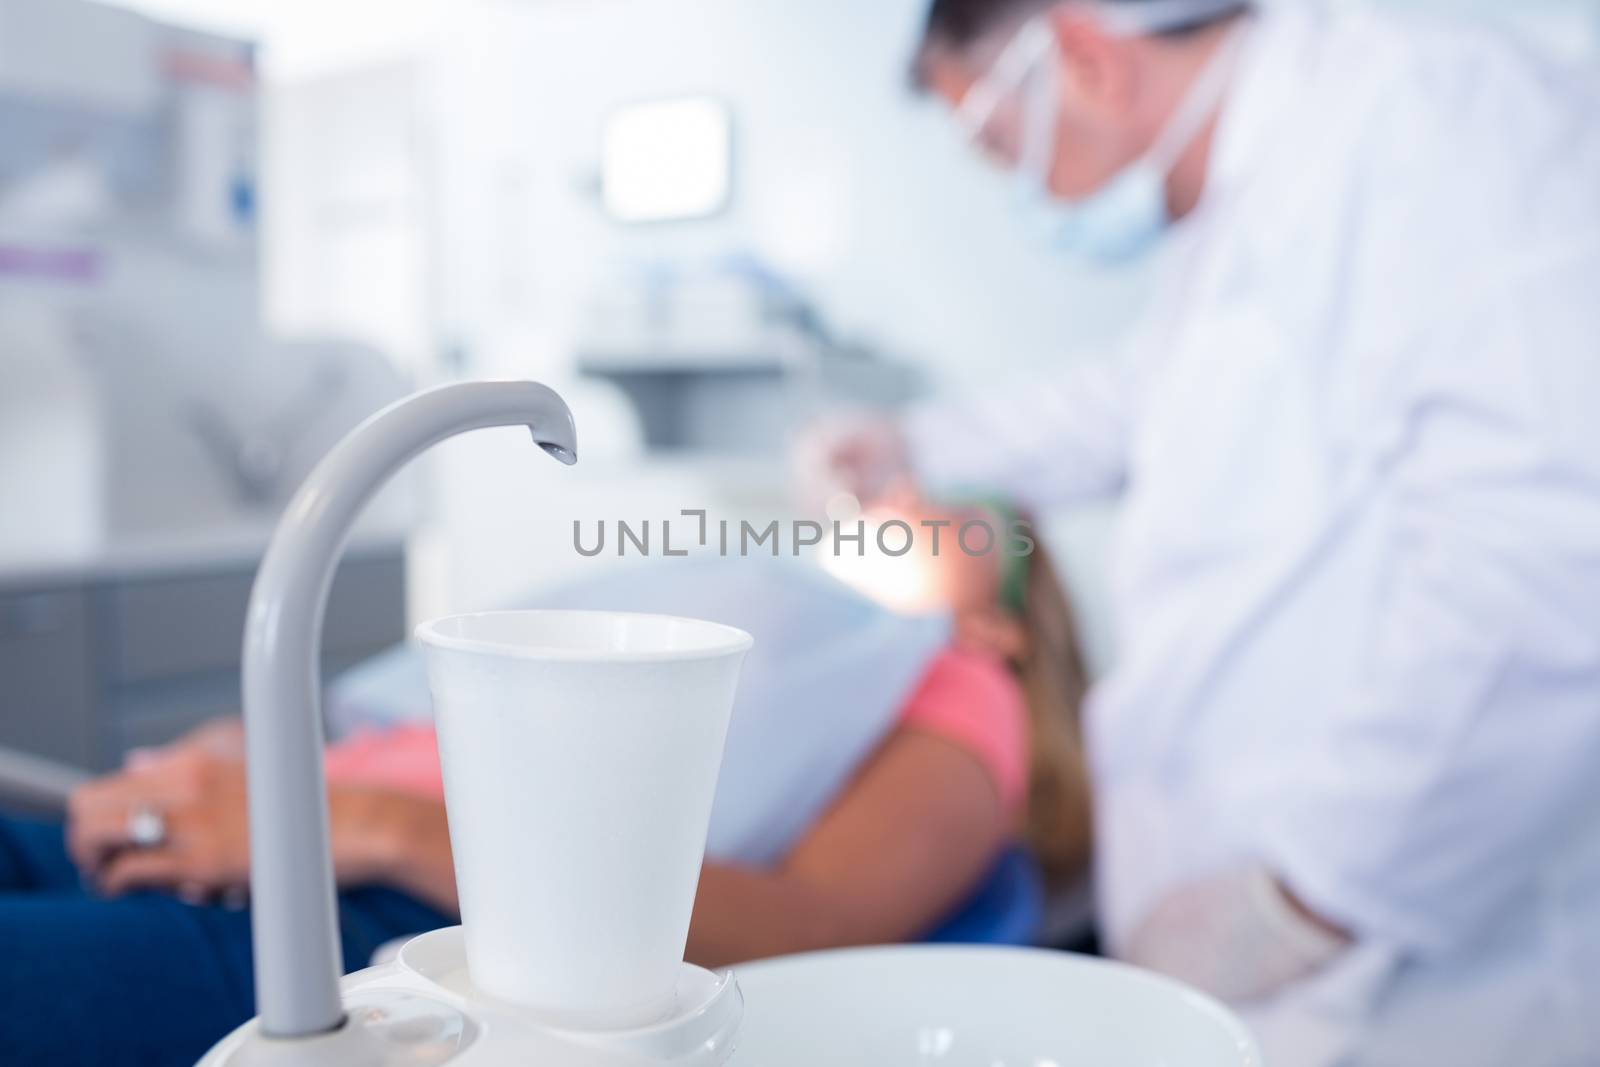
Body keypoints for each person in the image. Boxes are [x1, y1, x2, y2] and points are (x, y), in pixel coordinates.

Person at [818, 1, 1600, 1065]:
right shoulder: (1259, 189)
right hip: (1262, 959)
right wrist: (911, 441)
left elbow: (1551, 557)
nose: (1020, 188)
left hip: (1413, 983)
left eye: (1001, 145)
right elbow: (1151, 398)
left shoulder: (1436, 115)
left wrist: (1310, 898)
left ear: (1086, 58)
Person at [0, 533, 1091, 1066]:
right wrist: (253, 764)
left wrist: (335, 820)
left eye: (959, 510)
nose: (899, 505)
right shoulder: (811, 625)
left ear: (1007, 614)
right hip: (248, 827)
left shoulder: (965, 682)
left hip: (390, 915)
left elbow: (818, 925)